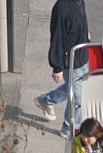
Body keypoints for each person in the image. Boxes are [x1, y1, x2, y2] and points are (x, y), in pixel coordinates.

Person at [33, 0, 89, 138]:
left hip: (81, 54)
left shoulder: (78, 2)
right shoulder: (62, 8)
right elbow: (57, 37)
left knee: (76, 88)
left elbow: (82, 18)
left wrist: (86, 34)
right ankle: (69, 128)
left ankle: (46, 100)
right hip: (70, 60)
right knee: (78, 97)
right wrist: (57, 67)